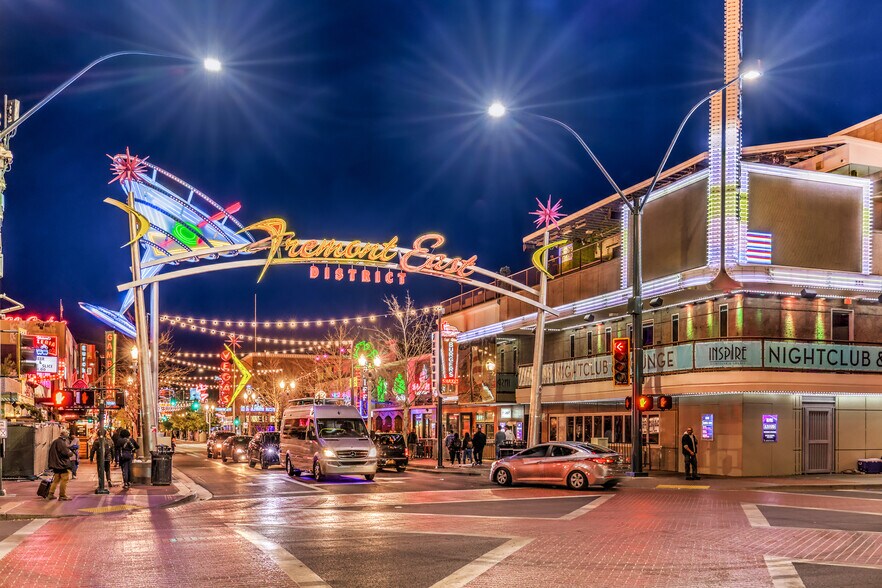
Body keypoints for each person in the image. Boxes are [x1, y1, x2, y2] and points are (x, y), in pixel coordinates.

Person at [46, 429, 74, 501]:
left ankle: (50, 494)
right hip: (62, 465)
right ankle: (62, 495)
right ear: (64, 434)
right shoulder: (61, 442)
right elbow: (66, 453)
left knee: (56, 480)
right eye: (67, 433)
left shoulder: (55, 441)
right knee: (64, 479)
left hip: (56, 464)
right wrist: (71, 452)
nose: (68, 435)